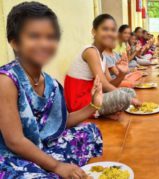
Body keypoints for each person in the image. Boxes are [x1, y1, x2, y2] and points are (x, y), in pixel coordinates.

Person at [0, 2, 103, 178]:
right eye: (34, 36)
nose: (44, 43)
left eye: (50, 37)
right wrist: (56, 166)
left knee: (90, 131)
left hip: (43, 144)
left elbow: (60, 122)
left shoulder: (50, 83)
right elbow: (14, 141)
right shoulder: (6, 80)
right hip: (11, 154)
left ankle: (52, 165)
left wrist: (93, 105)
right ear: (15, 42)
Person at [64, 14, 140, 118]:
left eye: (113, 30)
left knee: (129, 92)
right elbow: (105, 85)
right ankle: (97, 113)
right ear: (94, 32)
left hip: (93, 96)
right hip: (81, 105)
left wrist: (121, 75)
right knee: (124, 97)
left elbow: (107, 85)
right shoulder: (91, 51)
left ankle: (102, 112)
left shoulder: (102, 57)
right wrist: (127, 98)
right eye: (105, 29)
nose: (109, 33)